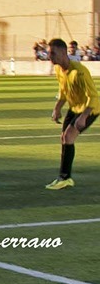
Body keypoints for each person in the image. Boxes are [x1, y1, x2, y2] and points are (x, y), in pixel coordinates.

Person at [45, 38, 100, 190]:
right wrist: (57, 108)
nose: (50, 56)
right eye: (49, 53)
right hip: (74, 107)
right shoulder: (58, 69)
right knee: (64, 138)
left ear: (63, 52)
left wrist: (84, 116)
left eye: (53, 53)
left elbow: (94, 97)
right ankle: (64, 177)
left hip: (90, 108)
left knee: (68, 136)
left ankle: (65, 178)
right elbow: (63, 91)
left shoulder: (80, 71)